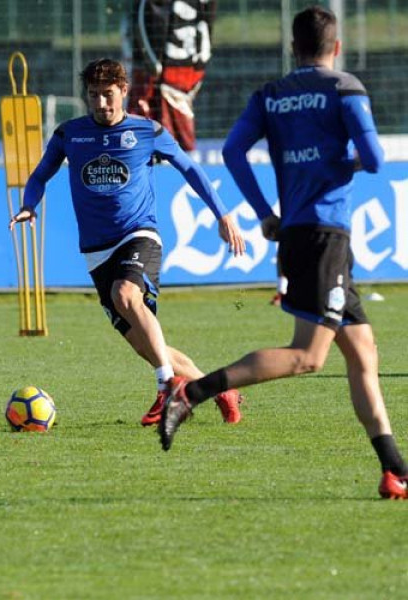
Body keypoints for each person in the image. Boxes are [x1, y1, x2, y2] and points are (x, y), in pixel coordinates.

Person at [158, 7, 408, 500]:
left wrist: (264, 213)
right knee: (307, 357)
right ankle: (192, 393)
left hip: (298, 233)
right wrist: (343, 162)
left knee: (363, 354)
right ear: (335, 47)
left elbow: (233, 151)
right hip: (325, 238)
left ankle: (395, 471)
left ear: (293, 48)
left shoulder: (271, 95)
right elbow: (376, 160)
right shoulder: (345, 88)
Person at [10, 57, 245, 428]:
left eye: (108, 95)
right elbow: (40, 175)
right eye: (93, 95)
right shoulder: (70, 134)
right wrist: (28, 206)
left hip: (139, 234)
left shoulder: (147, 131)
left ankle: (167, 386)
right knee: (146, 346)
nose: (101, 103)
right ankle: (221, 389)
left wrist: (223, 214)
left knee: (126, 295)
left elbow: (190, 168)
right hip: (96, 251)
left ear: (123, 92)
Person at [127, 0, 216, 152]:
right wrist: (152, 61)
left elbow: (206, 27)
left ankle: (180, 161)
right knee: (144, 123)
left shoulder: (200, 6)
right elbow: (142, 21)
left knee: (180, 133)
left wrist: (200, 67)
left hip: (183, 76)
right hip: (157, 75)